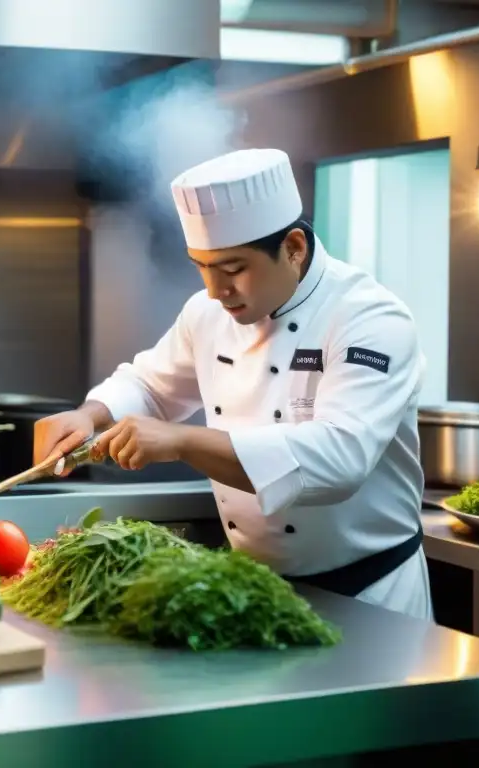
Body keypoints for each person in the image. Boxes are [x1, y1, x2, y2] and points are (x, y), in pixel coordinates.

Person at [34, 148, 432, 620]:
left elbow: (340, 459)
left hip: (370, 599)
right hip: (253, 593)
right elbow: (151, 385)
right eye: (200, 266)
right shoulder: (206, 314)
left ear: (294, 248)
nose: (214, 290)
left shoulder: (368, 318)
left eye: (233, 269)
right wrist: (89, 415)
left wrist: (182, 440)